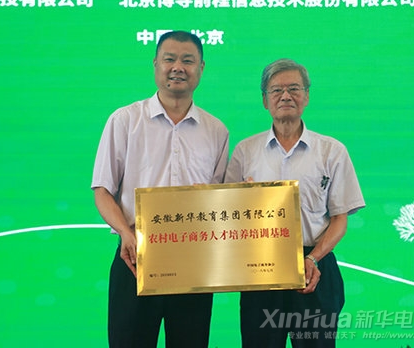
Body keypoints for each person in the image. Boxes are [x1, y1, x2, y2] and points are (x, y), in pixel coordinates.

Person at [91, 30, 229, 348]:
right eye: (169, 59)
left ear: (201, 68)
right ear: (155, 64)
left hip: (193, 266)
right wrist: (126, 234)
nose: (178, 67)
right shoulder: (125, 120)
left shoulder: (216, 131)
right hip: (135, 259)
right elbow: (102, 190)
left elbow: (220, 202)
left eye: (187, 60)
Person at [224, 58, 365, 347]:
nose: (285, 96)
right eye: (276, 90)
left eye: (294, 88)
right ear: (265, 100)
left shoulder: (331, 151)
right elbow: (227, 214)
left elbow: (340, 218)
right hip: (261, 269)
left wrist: (313, 259)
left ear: (307, 95)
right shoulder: (245, 151)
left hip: (315, 266)